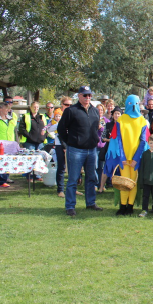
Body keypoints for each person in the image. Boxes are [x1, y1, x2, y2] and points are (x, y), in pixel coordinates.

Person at [57, 86, 102, 216]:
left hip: (92, 150)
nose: (88, 98)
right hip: (76, 150)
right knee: (73, 179)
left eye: (89, 95)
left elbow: (95, 129)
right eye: (85, 95)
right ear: (79, 96)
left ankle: (91, 203)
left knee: (91, 178)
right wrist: (69, 143)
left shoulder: (94, 111)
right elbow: (61, 130)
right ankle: (70, 206)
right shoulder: (71, 111)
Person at [104, 95, 150, 216]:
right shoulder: (121, 120)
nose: (133, 106)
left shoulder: (142, 121)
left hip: (135, 159)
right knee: (124, 183)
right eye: (131, 103)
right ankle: (123, 206)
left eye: (135, 104)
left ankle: (130, 206)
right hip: (123, 159)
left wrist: (136, 158)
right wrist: (122, 157)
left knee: (132, 182)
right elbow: (117, 139)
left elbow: (144, 141)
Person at [18, 101, 48, 182]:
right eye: (34, 107)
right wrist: (30, 136)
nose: (35, 109)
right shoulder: (26, 116)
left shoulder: (42, 116)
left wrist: (44, 136)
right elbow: (22, 129)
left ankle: (38, 175)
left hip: (40, 142)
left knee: (40, 159)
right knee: (30, 159)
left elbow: (46, 127)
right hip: (29, 141)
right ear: (30, 107)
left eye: (37, 107)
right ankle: (30, 176)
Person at [0, 102, 17, 189]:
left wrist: (16, 143)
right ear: (0, 110)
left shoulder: (10, 119)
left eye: (8, 108)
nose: (8, 110)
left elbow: (15, 132)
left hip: (10, 145)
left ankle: (3, 181)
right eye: (6, 108)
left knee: (7, 163)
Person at [98, 106, 122, 192]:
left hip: (120, 151)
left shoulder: (123, 125)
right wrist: (112, 140)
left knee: (120, 170)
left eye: (118, 113)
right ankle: (101, 188)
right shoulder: (108, 125)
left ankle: (119, 188)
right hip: (110, 150)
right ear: (112, 115)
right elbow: (103, 137)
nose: (117, 115)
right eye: (115, 113)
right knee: (106, 169)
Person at [95, 104, 110, 192]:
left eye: (101, 110)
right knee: (95, 166)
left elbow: (107, 132)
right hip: (95, 146)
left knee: (102, 167)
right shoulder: (93, 119)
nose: (99, 111)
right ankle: (95, 183)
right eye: (98, 110)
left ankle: (101, 184)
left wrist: (101, 128)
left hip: (103, 146)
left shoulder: (106, 121)